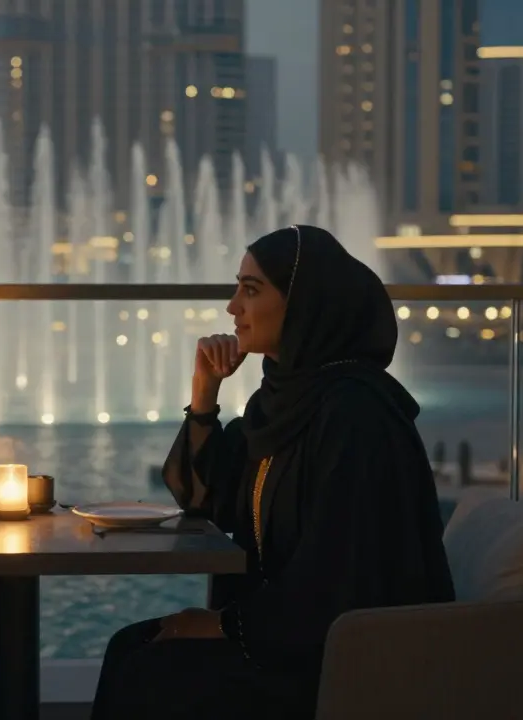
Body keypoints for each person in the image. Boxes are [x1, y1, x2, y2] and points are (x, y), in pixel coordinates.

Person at [90, 225, 455, 719]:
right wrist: (204, 394)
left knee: (148, 668)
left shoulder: (353, 414)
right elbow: (203, 499)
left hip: (341, 665)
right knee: (130, 647)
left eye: (252, 289)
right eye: (238, 286)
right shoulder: (286, 402)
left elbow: (339, 577)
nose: (232, 307)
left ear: (303, 303)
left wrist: (225, 627)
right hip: (290, 638)